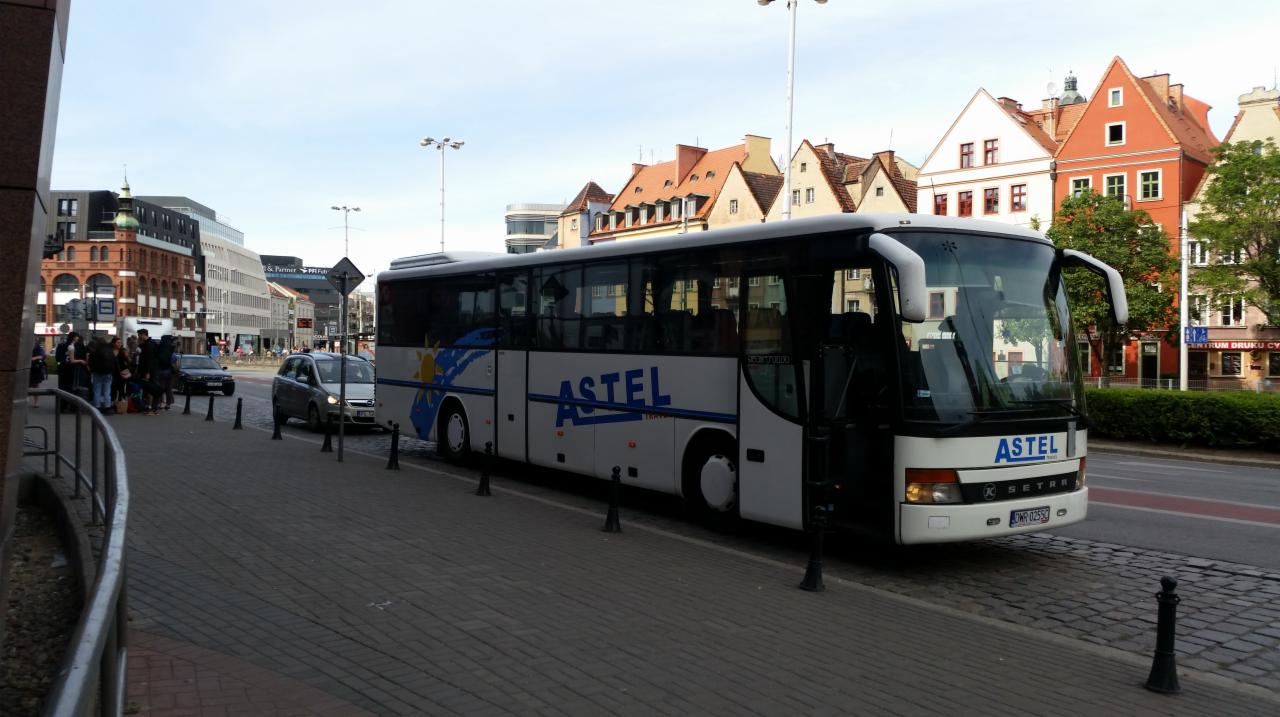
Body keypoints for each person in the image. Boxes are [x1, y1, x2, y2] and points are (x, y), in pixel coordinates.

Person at [136, 328, 162, 415]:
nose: (138, 337)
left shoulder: (149, 345)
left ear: (143, 335)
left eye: (139, 335)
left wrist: (147, 372)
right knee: (151, 389)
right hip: (152, 370)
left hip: (150, 371)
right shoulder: (150, 343)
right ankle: (153, 409)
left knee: (151, 390)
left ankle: (152, 409)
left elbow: (149, 360)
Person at [87, 336, 117, 412]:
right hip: (108, 373)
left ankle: (97, 406)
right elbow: (114, 361)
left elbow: (90, 362)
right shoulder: (110, 351)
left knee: (97, 391)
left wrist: (92, 370)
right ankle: (107, 406)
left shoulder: (94, 351)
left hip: (97, 373)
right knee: (107, 391)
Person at [156, 335, 176, 409]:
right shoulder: (171, 350)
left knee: (161, 388)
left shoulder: (160, 348)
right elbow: (174, 360)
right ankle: (168, 404)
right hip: (170, 372)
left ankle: (160, 403)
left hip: (161, 371)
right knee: (169, 389)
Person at [111, 337, 131, 405]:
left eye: (120, 342)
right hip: (113, 372)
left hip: (121, 373)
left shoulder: (122, 351)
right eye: (118, 342)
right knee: (113, 387)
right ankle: (113, 402)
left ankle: (120, 403)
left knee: (121, 387)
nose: (119, 344)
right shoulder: (110, 351)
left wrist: (127, 357)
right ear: (113, 343)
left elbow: (128, 362)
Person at [29, 341, 47, 407]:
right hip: (26, 368)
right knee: (26, 385)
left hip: (35, 369)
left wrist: (34, 358)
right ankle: (26, 399)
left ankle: (36, 402)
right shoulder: (25, 345)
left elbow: (43, 356)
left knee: (35, 386)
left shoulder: (38, 348)